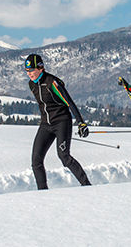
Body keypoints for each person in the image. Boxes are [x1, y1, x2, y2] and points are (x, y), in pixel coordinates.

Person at [24, 53, 92, 190]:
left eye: (32, 70)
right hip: (45, 124)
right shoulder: (32, 85)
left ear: (40, 68)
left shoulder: (52, 82)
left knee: (64, 156)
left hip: (62, 122)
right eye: (27, 71)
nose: (29, 73)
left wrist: (81, 122)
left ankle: (87, 186)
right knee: (36, 160)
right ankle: (42, 192)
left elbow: (70, 102)